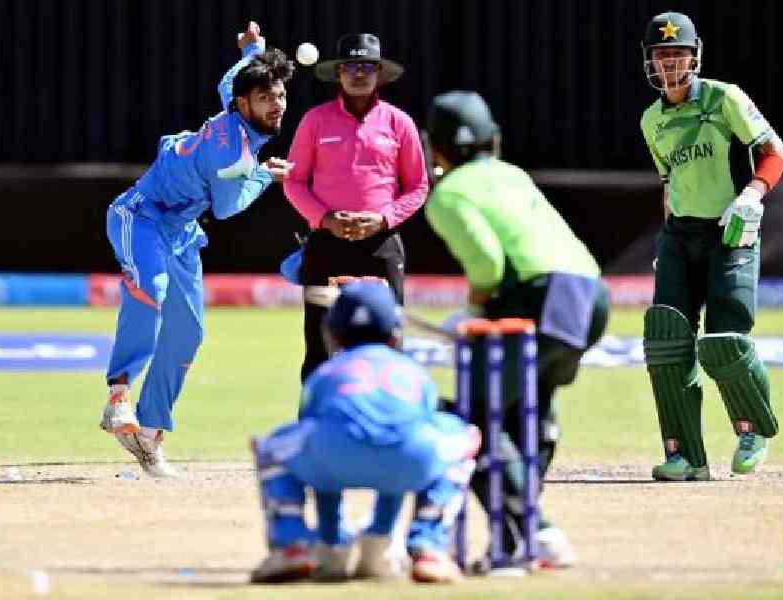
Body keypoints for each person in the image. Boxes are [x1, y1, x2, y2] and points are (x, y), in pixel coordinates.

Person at [422, 91, 610, 569]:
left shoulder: (448, 192)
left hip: (539, 296)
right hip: (590, 294)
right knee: (530, 405)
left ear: (435, 147)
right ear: (494, 139)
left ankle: (537, 533)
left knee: (477, 421)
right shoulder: (513, 173)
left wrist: (474, 311)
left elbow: (486, 262)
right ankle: (514, 537)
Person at [99, 22, 295, 477]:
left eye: (280, 95)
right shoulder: (234, 157)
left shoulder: (236, 99)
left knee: (188, 332)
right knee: (152, 287)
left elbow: (230, 79)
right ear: (246, 106)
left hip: (182, 231)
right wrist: (267, 176)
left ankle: (148, 436)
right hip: (141, 216)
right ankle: (119, 396)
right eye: (267, 98)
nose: (277, 104)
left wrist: (255, 50)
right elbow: (228, 210)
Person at [639, 12, 783, 481]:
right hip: (680, 236)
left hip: (731, 230)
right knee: (666, 339)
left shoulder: (726, 98)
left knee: (725, 343)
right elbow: (670, 183)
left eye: (678, 54)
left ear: (695, 56)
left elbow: (774, 152)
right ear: (650, 62)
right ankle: (685, 454)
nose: (670, 65)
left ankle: (752, 428)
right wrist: (667, 240)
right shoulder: (652, 120)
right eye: (662, 56)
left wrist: (752, 195)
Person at [249, 281, 479, 584]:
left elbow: (316, 442)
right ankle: (427, 549)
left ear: (334, 332)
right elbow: (404, 431)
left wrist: (331, 543)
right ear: (395, 333)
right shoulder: (413, 372)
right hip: (408, 461)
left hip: (334, 456)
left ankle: (296, 546)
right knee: (463, 439)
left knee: (272, 447)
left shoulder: (325, 373)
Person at [283, 33, 429, 382]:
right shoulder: (315, 121)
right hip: (326, 243)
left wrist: (382, 219)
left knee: (389, 341)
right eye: (351, 66)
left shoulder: (399, 123)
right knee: (319, 345)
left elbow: (418, 186)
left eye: (367, 66)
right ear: (339, 73)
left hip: (380, 244)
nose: (359, 74)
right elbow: (293, 181)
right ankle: (315, 428)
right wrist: (326, 219)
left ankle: (391, 426)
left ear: (379, 73)